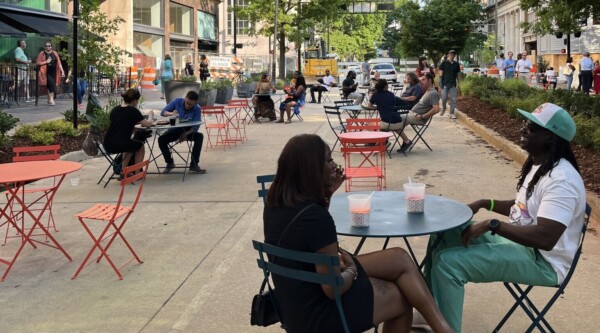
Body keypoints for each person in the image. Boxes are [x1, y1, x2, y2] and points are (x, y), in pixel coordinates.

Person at [263, 133, 454, 333]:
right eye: (328, 160)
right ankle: (444, 329)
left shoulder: (275, 202)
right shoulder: (316, 218)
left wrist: (327, 194)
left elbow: (312, 238)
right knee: (402, 296)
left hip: (294, 301)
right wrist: (352, 270)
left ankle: (443, 329)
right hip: (319, 314)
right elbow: (332, 289)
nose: (334, 165)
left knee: (399, 257)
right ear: (311, 168)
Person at [425, 103, 585, 333]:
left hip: (544, 262)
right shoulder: (540, 165)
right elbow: (523, 207)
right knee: (442, 232)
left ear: (549, 138)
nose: (522, 129)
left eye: (530, 127)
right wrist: (484, 203)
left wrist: (493, 225)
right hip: (520, 245)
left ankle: (445, 328)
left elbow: (545, 237)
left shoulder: (562, 180)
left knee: (448, 264)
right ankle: (431, 313)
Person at [103, 89, 154, 173]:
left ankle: (124, 171)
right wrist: (150, 115)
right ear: (134, 101)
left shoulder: (115, 110)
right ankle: (137, 172)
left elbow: (122, 121)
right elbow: (148, 124)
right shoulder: (133, 111)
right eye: (137, 101)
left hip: (108, 144)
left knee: (129, 145)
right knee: (140, 145)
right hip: (120, 144)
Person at [159, 90, 205, 174]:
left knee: (199, 136)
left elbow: (196, 126)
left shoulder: (197, 109)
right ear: (185, 98)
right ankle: (169, 162)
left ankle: (194, 164)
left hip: (188, 131)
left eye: (190, 104)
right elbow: (163, 112)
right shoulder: (177, 101)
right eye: (186, 102)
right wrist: (171, 113)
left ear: (195, 103)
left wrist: (186, 134)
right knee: (161, 139)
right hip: (174, 130)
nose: (187, 105)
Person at [396, 73, 439, 153]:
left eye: (423, 80)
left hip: (418, 118)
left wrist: (423, 116)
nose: (421, 82)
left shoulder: (433, 93)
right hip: (412, 114)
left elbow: (436, 109)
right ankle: (386, 140)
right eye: (420, 80)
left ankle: (405, 142)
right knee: (391, 120)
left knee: (392, 119)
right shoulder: (427, 91)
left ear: (430, 80)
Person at [36, 42, 65, 106]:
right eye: (46, 46)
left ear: (51, 47)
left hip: (54, 72)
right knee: (51, 85)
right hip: (45, 72)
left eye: (49, 46)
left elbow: (59, 62)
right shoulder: (42, 53)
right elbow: (38, 63)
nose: (47, 47)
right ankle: (51, 100)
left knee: (51, 85)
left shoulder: (55, 53)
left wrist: (62, 71)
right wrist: (46, 62)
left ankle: (49, 100)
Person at [438, 49, 460, 119]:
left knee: (453, 99)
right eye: (451, 54)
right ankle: (444, 108)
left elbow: (458, 74)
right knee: (444, 98)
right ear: (448, 55)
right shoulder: (444, 63)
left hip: (453, 83)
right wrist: (440, 79)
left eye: (453, 54)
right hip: (445, 83)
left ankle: (452, 113)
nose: (452, 55)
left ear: (454, 56)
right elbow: (441, 71)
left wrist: (459, 83)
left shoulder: (456, 64)